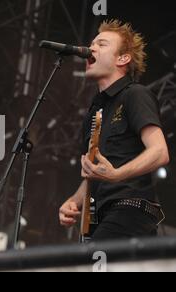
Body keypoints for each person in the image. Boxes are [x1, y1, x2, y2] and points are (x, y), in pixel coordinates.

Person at [59, 20, 170, 241]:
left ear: (123, 58)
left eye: (102, 44)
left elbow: (160, 152)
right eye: (92, 44)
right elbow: (95, 172)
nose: (92, 48)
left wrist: (117, 174)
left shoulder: (135, 94)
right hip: (100, 215)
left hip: (130, 209)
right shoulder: (94, 111)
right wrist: (74, 201)